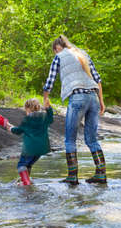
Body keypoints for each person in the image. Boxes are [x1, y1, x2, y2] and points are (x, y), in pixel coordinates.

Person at [43, 35, 106, 185]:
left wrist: (45, 98)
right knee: (91, 139)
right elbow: (97, 79)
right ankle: (101, 174)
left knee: (70, 139)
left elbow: (50, 81)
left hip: (78, 98)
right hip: (93, 98)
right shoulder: (82, 54)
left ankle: (72, 176)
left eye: (54, 50)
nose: (55, 53)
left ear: (57, 48)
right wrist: (102, 102)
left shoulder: (59, 57)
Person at [8, 98, 53, 186]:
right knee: (28, 164)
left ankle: (26, 183)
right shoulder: (44, 117)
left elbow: (18, 130)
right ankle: (26, 180)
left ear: (28, 108)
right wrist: (49, 108)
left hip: (30, 149)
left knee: (21, 165)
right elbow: (50, 117)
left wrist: (10, 128)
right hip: (41, 149)